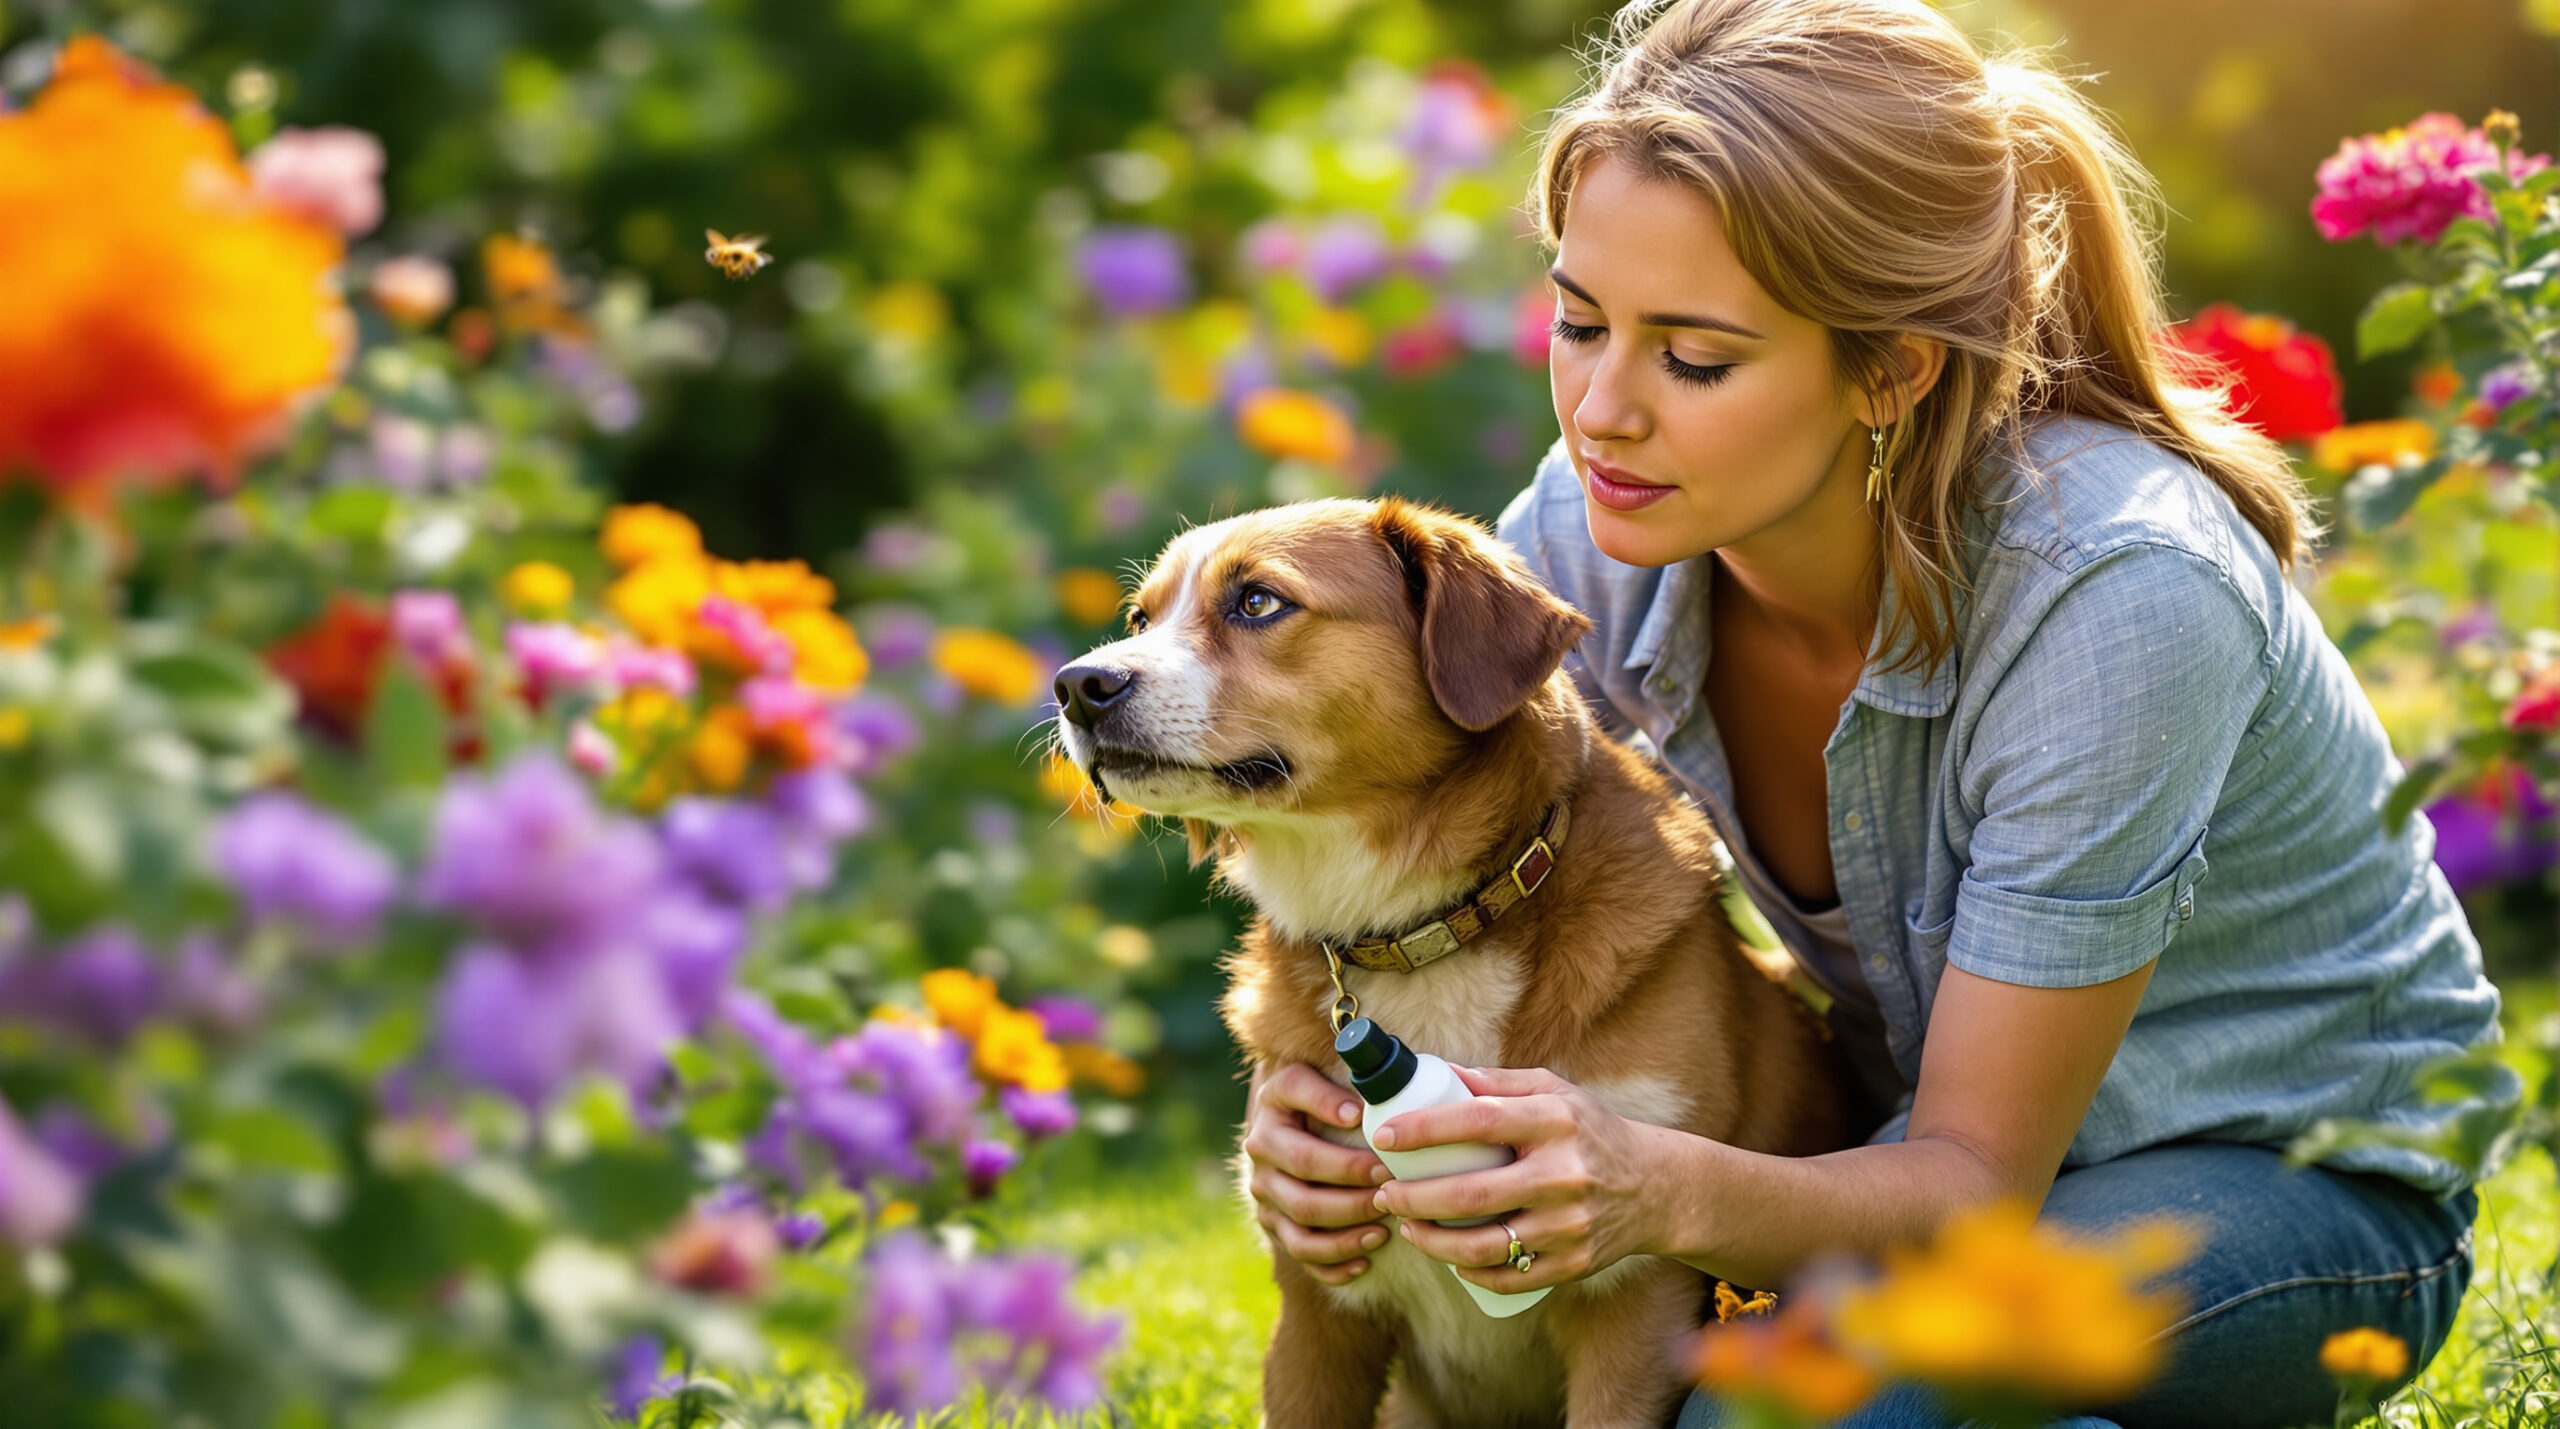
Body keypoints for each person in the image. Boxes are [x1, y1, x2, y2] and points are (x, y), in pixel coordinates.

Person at [1233, 1, 2519, 1425]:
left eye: (1695, 358)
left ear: (1892, 370)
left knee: (1771, 1407)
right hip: (1898, 1169)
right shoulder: (1597, 534)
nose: (1600, 411)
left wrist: (1648, 1182)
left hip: (2292, 1185)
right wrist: (1327, 1114)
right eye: (1580, 321)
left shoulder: (2119, 594)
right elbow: (1432, 850)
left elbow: (1977, 1178)